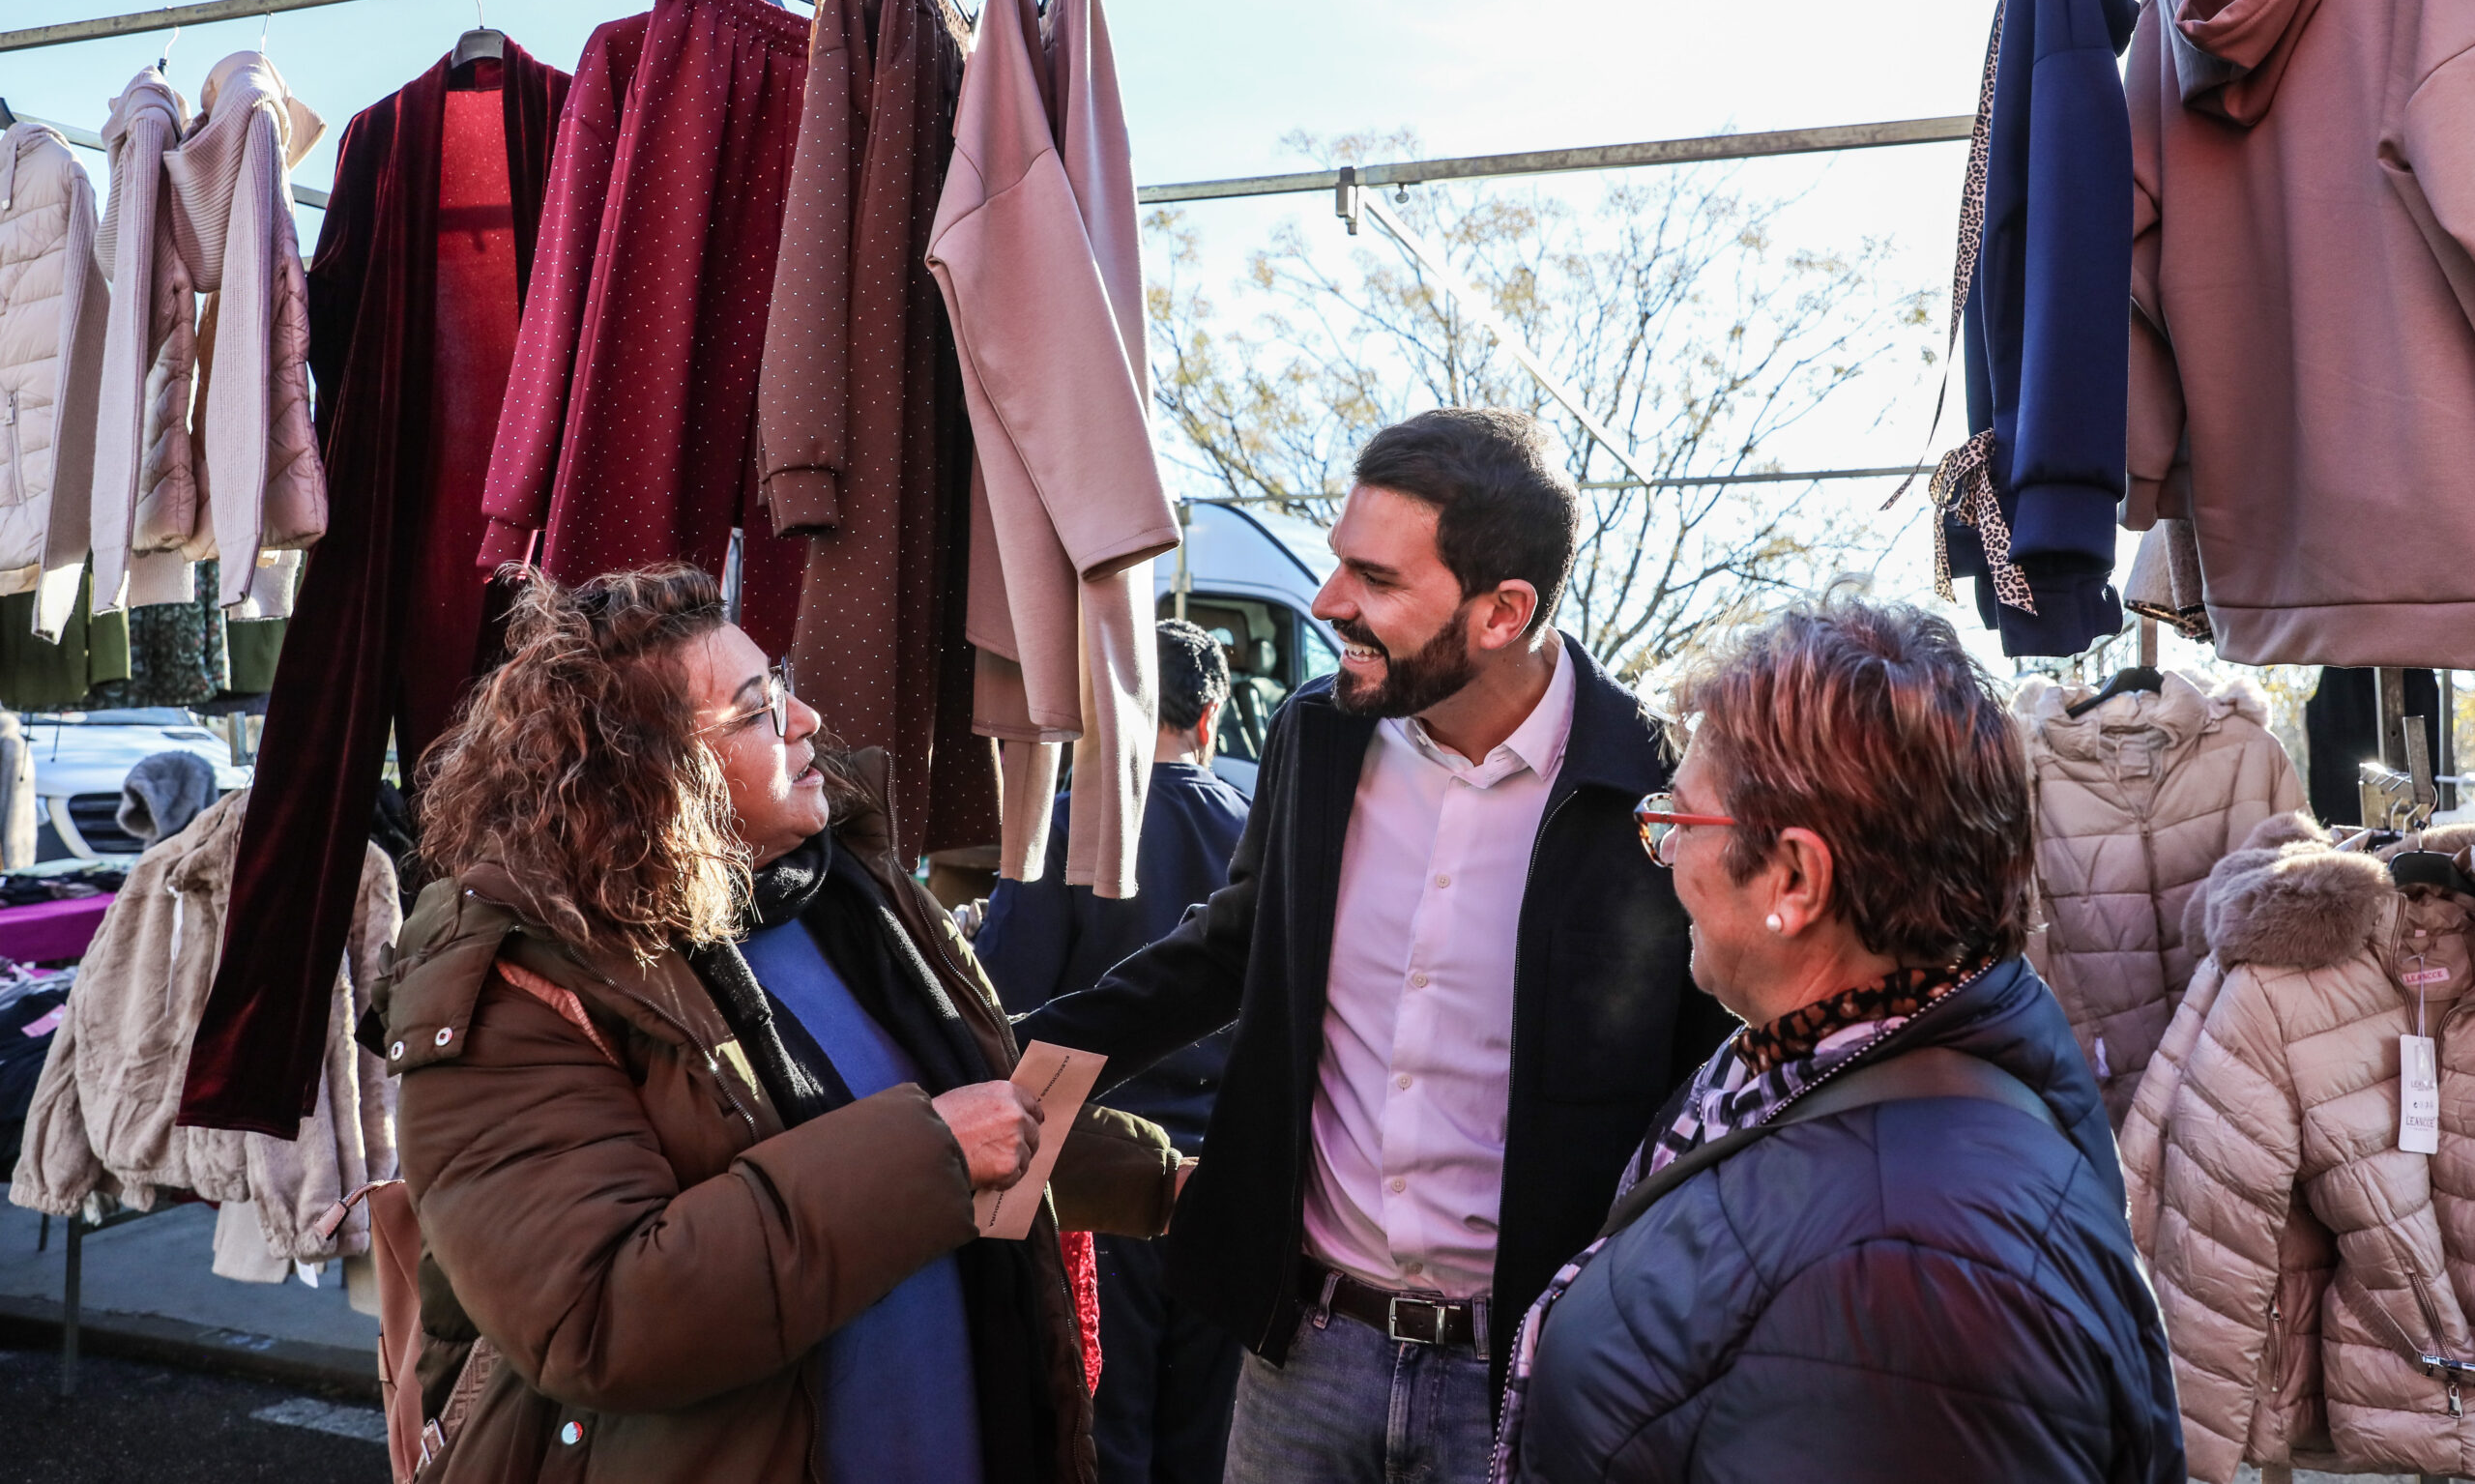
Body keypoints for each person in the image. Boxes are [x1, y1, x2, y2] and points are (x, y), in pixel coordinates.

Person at [1017, 410, 1733, 1484]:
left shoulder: (1653, 785)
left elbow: (1704, 1075)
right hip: (1303, 1356)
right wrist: (996, 1058)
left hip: (1531, 1377)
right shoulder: (1317, 735)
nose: (1327, 601)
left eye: (1375, 578)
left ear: (1503, 612)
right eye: (1338, 560)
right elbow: (1225, 952)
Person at [380, 565, 1184, 1484]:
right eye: (757, 710)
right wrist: (930, 1154)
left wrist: (1166, 1184)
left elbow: (976, 1113)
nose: (805, 720)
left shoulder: (838, 890)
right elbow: (597, 1316)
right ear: (646, 768)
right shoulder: (518, 982)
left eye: (783, 686)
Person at [1493, 593, 2184, 1482]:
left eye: (1681, 821)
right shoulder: (1823, 1073)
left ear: (1795, 879)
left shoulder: (1914, 1273)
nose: (1662, 850)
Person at [978, 620, 1254, 1484]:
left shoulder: (1062, 828)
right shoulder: (1261, 839)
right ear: (1208, 718)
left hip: (1093, 1182)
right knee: (1207, 1449)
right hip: (1224, 1186)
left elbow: (998, 1006)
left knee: (1102, 1440)